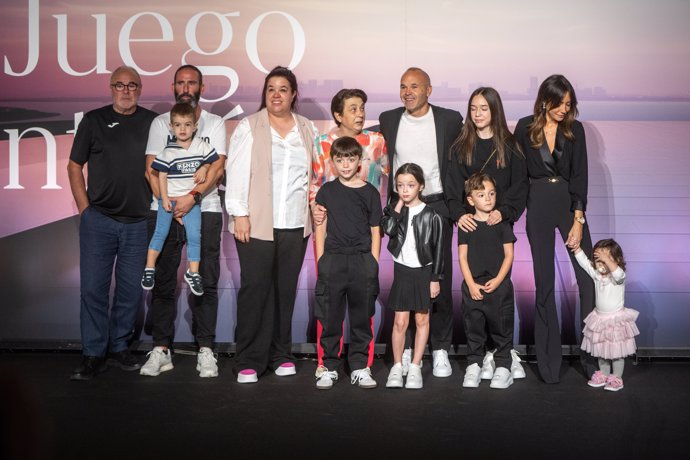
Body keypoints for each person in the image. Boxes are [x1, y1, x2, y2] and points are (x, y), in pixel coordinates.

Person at [225, 66, 319, 384]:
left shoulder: (306, 128)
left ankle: (280, 353)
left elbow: (314, 176)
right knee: (255, 290)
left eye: (283, 89)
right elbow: (236, 172)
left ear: (293, 95)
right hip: (256, 223)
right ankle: (249, 358)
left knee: (284, 292)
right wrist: (239, 213)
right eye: (270, 89)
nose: (276, 94)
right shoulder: (249, 126)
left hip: (295, 224)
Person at [67, 65, 157, 380]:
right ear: (110, 87)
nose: (125, 90)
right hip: (99, 220)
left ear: (140, 88)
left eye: (132, 85)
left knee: (130, 292)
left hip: (137, 223)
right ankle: (94, 353)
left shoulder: (152, 123)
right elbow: (74, 165)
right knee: (93, 289)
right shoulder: (93, 121)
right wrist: (84, 209)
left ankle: (119, 347)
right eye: (119, 85)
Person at [140, 64, 227, 378]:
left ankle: (205, 349)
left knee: (205, 279)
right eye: (181, 82)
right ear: (173, 87)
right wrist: (170, 204)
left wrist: (192, 198)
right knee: (163, 281)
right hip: (164, 208)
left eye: (192, 83)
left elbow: (216, 170)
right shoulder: (160, 122)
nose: (186, 87)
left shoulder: (215, 124)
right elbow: (152, 168)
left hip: (206, 209)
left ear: (202, 88)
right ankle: (161, 349)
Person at [379, 67, 462, 378]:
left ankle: (440, 348)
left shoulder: (450, 119)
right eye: (403, 86)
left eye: (415, 86)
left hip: (438, 204)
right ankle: (409, 349)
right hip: (402, 206)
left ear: (429, 89)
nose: (408, 92)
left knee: (438, 279)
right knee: (406, 277)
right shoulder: (388, 119)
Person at [514, 74, 597, 383]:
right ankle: (549, 364)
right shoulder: (524, 128)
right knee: (544, 283)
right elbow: (518, 175)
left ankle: (593, 361)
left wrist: (578, 218)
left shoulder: (575, 130)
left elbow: (581, 175)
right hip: (537, 206)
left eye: (569, 103)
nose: (566, 108)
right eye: (561, 103)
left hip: (568, 204)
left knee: (589, 280)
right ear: (545, 100)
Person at [446, 87, 528, 381]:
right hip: (471, 227)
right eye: (473, 108)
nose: (478, 114)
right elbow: (452, 189)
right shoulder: (460, 146)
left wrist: (503, 212)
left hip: (498, 225)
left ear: (495, 110)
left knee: (499, 295)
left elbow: (520, 187)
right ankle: (482, 357)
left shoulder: (510, 145)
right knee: (475, 300)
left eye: (484, 108)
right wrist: (460, 215)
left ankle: (504, 354)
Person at [312, 88, 388, 377]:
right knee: (328, 309)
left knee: (362, 310)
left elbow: (392, 176)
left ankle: (360, 366)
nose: (360, 114)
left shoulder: (376, 142)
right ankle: (326, 364)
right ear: (338, 114)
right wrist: (316, 211)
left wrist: (374, 259)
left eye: (362, 108)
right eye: (353, 108)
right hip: (332, 235)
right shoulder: (322, 144)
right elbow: (316, 182)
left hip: (362, 242)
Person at [141, 102, 219, 297]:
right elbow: (161, 176)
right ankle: (149, 268)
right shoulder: (167, 152)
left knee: (195, 237)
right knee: (160, 233)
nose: (182, 129)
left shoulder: (202, 146)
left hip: (191, 203)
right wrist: (164, 199)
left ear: (195, 126)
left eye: (186, 124)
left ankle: (193, 273)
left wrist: (203, 168)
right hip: (168, 201)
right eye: (177, 125)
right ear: (171, 127)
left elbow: (213, 163)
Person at [381, 163, 444, 390]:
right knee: (400, 321)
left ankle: (416, 366)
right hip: (402, 271)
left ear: (421, 186)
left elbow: (438, 250)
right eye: (400, 186)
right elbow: (387, 229)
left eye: (410, 185)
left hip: (424, 272)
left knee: (421, 319)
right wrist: (397, 204)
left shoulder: (432, 215)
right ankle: (398, 367)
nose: (405, 190)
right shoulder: (396, 210)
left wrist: (435, 278)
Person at [458, 173, 517, 389]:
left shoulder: (501, 224)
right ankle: (474, 364)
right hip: (473, 286)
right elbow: (462, 257)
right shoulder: (467, 225)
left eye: (491, 193)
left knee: (501, 328)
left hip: (498, 286)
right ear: (471, 200)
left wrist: (499, 280)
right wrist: (471, 284)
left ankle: (503, 366)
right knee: (474, 329)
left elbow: (509, 255)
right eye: (482, 195)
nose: (488, 198)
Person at [572, 239, 639, 392]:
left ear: (617, 260)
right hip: (600, 319)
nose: (601, 264)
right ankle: (603, 374)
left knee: (616, 352)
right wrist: (577, 250)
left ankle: (616, 377)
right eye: (598, 260)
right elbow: (585, 263)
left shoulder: (619, 276)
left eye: (606, 260)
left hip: (615, 320)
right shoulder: (597, 275)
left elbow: (617, 272)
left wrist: (606, 259)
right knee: (601, 351)